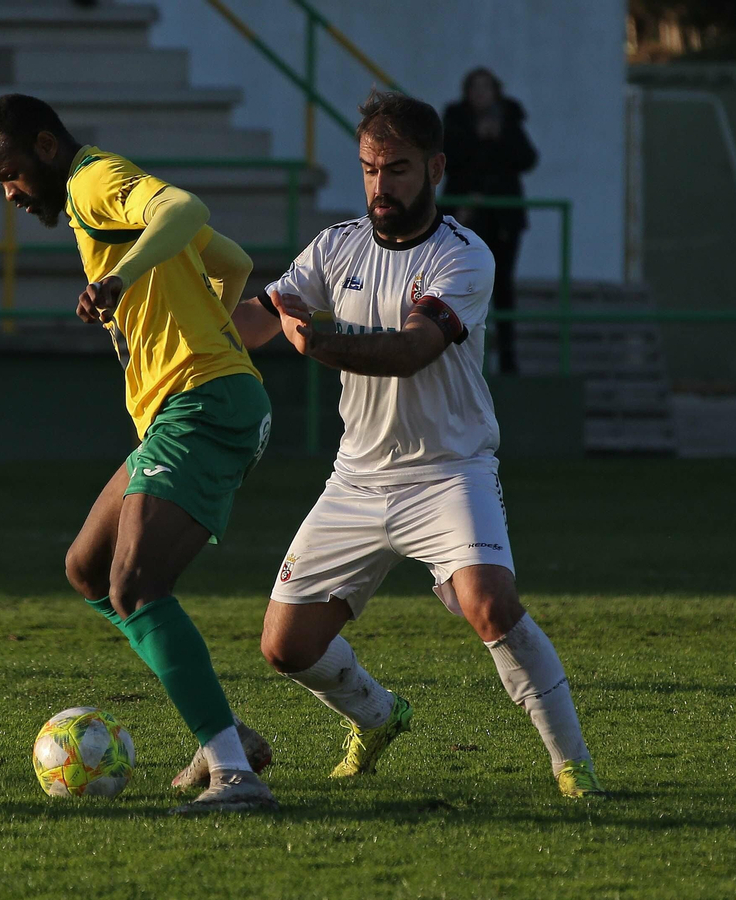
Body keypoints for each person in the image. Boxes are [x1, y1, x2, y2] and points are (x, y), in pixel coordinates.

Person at [228, 91, 605, 799]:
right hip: (357, 479)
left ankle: (572, 765)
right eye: (369, 169)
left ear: (434, 169)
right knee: (285, 647)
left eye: (397, 169)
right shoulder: (335, 246)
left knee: (490, 603)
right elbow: (259, 318)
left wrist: (315, 343)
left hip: (449, 473)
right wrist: (163, 323)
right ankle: (378, 716)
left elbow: (410, 351)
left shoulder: (463, 256)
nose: (380, 185)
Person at [0, 94, 277, 815]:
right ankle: (224, 731)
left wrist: (119, 278)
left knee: (136, 585)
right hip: (184, 407)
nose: (11, 194)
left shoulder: (93, 180)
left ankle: (234, 773)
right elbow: (232, 260)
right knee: (87, 569)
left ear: (47, 147)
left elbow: (185, 208)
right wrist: (208, 323)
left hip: (203, 404)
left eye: (11, 174)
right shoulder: (94, 204)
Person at [441, 67, 538, 374]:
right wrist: (476, 139)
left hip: (503, 219)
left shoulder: (509, 118)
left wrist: (500, 137)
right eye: (475, 87)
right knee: (465, 284)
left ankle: (508, 357)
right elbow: (447, 159)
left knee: (503, 284)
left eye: (486, 87)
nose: (480, 93)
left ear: (496, 92)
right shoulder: (456, 120)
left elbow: (527, 158)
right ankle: (461, 355)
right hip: (465, 217)